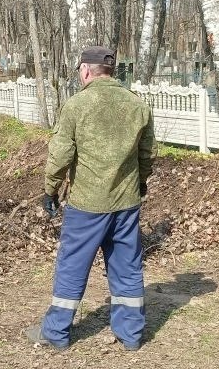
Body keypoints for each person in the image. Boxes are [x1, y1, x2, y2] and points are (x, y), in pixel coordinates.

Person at [25, 46, 156, 351]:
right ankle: (131, 335)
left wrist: (50, 190)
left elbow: (60, 156)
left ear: (85, 70)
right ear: (111, 70)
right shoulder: (137, 105)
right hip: (126, 203)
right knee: (127, 266)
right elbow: (147, 154)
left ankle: (56, 332)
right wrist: (139, 183)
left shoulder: (76, 105)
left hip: (87, 204)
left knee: (72, 266)